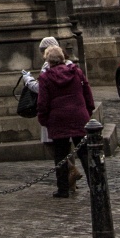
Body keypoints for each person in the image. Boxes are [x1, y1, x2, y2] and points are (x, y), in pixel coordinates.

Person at [35, 45, 96, 197]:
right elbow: (87, 92)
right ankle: (94, 185)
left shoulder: (45, 78)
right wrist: (88, 111)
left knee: (60, 155)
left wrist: (43, 119)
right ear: (63, 58)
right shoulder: (77, 72)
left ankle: (63, 189)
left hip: (58, 119)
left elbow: (43, 102)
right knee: (84, 153)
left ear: (48, 61)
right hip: (78, 116)